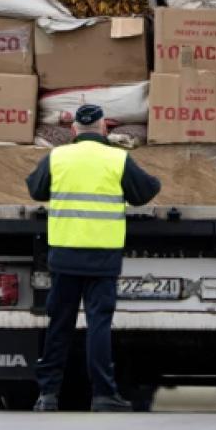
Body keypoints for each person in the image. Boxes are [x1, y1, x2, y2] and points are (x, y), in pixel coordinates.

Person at [25, 104, 161, 413]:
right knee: (98, 324)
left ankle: (47, 395)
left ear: (73, 131)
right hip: (102, 256)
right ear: (104, 129)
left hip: (64, 254)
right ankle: (102, 394)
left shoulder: (57, 157)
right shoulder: (117, 158)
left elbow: (35, 190)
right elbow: (145, 192)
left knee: (59, 324)